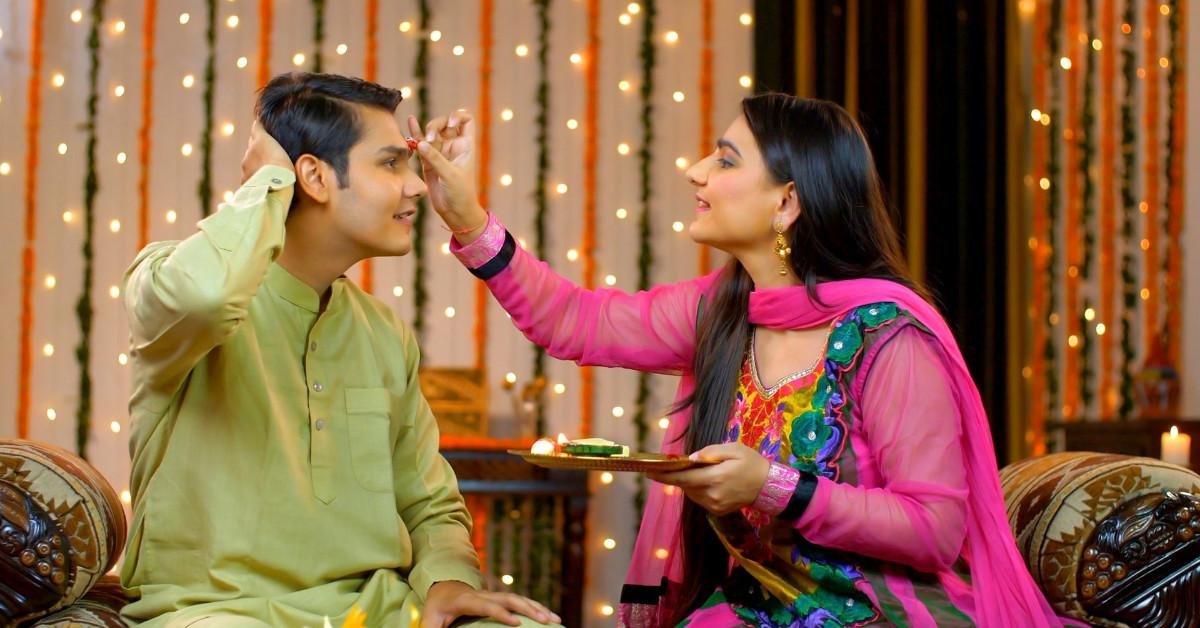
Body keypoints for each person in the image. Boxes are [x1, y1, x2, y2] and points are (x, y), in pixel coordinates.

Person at [411, 94, 1067, 626]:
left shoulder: (889, 337)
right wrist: (468, 221)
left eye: (725, 160)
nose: (696, 171)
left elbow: (934, 529)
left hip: (878, 610)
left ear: (786, 203)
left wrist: (774, 488)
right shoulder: (723, 310)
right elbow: (573, 322)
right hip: (755, 605)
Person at [120, 72, 560, 628]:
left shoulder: (382, 330)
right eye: (390, 163)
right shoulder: (170, 281)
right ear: (314, 177)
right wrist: (270, 178)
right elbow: (205, 297)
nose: (417, 187)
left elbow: (429, 503)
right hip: (216, 613)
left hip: (378, 611)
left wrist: (448, 581)